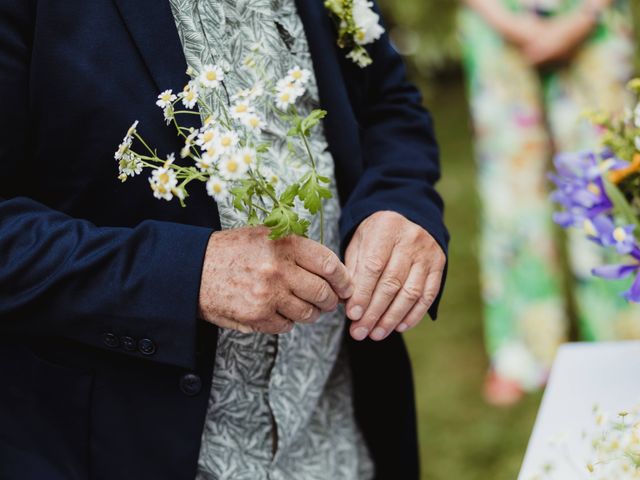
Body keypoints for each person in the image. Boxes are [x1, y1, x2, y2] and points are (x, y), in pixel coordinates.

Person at [0, 0, 448, 479]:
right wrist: (186, 274)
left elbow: (387, 101)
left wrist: (402, 205)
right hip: (132, 443)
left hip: (337, 433)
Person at [460, 0, 637, 405]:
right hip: (494, 17)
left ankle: (625, 335)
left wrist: (585, 16)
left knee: (610, 181)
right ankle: (523, 348)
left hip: (595, 16)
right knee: (511, 188)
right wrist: (508, 22)